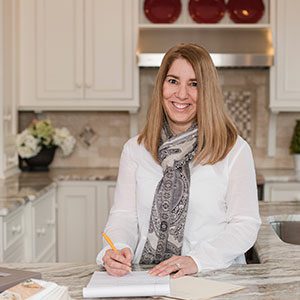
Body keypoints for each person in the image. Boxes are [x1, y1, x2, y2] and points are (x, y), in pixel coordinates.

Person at [96, 43, 261, 278]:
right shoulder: (135, 150)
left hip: (213, 277)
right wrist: (117, 248)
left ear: (208, 91)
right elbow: (124, 215)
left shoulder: (233, 149)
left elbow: (245, 224)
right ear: (161, 85)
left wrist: (196, 260)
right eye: (173, 81)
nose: (181, 94)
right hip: (148, 277)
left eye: (194, 84)